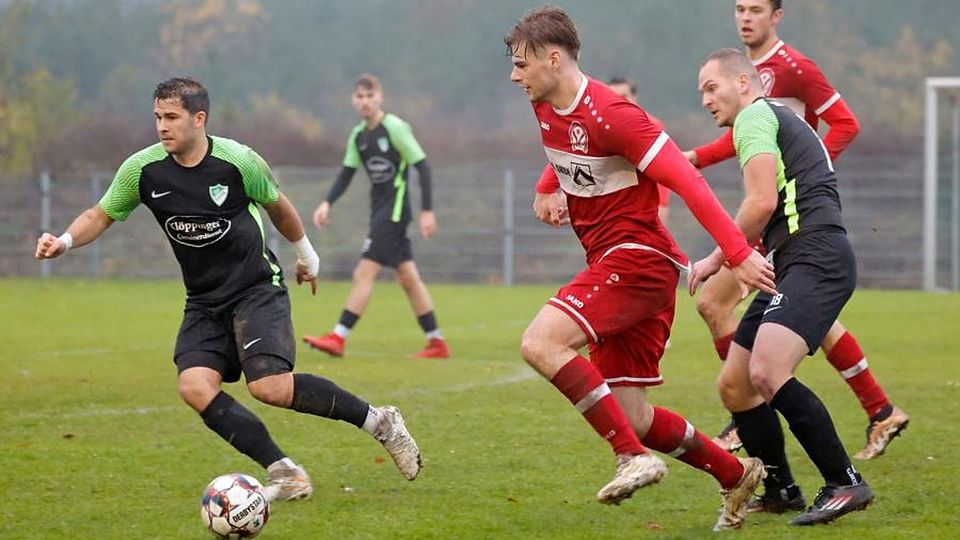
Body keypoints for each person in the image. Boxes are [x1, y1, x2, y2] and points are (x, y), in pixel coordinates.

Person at [35, 77, 422, 502]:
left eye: (172, 118)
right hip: (203, 300)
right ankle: (284, 472)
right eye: (157, 118)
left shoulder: (238, 161)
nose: (162, 127)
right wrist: (65, 242)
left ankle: (380, 422)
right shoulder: (142, 170)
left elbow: (279, 206)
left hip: (256, 288)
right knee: (194, 387)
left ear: (199, 119)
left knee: (269, 386)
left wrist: (306, 256)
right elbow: (101, 214)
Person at [506, 6, 775, 531]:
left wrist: (738, 255)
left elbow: (688, 182)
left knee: (540, 342)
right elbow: (566, 145)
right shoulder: (545, 104)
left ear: (554, 60)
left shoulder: (617, 116)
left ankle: (631, 459)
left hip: (640, 261)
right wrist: (547, 188)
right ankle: (735, 472)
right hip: (617, 264)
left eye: (522, 64)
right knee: (633, 416)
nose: (515, 76)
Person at [684, 0, 908, 464]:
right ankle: (875, 408)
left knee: (726, 304)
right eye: (740, 9)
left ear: (776, 16)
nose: (746, 17)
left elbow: (845, 123)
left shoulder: (793, 67)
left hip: (798, 219)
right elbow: (745, 136)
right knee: (790, 318)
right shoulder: (742, 83)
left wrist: (809, 173)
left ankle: (753, 409)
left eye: (756, 9)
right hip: (783, 226)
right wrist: (696, 159)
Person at [690, 48, 875, 526]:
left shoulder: (753, 117)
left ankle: (844, 481)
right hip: (794, 260)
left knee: (767, 372)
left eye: (713, 87)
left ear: (745, 83)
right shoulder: (768, 118)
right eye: (701, 93)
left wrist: (716, 258)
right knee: (736, 384)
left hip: (815, 257)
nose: (707, 100)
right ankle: (782, 488)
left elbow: (759, 202)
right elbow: (768, 208)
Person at [304, 74, 449, 359]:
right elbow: (346, 174)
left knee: (363, 272)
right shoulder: (358, 135)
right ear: (353, 100)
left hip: (394, 214)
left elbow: (423, 167)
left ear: (380, 97)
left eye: (370, 96)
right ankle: (436, 342)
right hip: (379, 213)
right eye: (360, 97)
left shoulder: (394, 128)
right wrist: (327, 203)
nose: (365, 101)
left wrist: (427, 211)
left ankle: (338, 336)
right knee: (408, 278)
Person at [607, 77, 671, 226]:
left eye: (624, 96)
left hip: (644, 212)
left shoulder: (651, 126)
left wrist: (662, 209)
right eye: (613, 97)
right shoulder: (599, 128)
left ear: (635, 98)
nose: (619, 101)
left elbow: (662, 175)